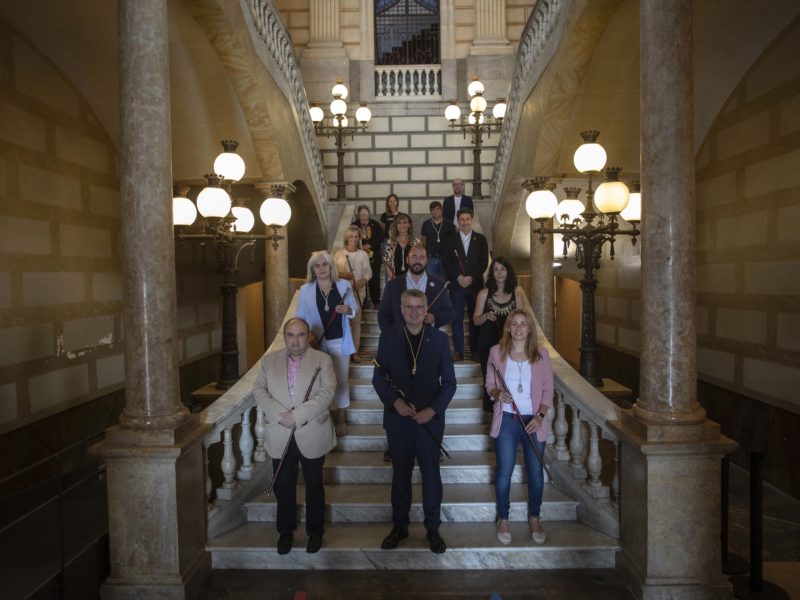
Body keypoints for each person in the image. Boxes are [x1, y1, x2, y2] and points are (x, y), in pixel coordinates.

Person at [372, 289, 456, 554]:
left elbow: (450, 384)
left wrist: (433, 410)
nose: (415, 312)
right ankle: (400, 526)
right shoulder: (388, 338)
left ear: (426, 309)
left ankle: (433, 528)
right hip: (399, 420)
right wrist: (395, 402)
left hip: (429, 422)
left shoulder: (440, 340)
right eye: (409, 307)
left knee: (431, 476)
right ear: (401, 308)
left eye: (419, 307)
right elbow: (378, 378)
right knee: (400, 476)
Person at [252, 317, 337, 555]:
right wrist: (281, 415)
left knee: (314, 486)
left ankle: (315, 533)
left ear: (308, 336)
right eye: (291, 335)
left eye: (301, 335)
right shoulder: (269, 362)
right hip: (280, 433)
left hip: (312, 432)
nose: (296, 340)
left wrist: (297, 416)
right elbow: (258, 390)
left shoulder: (323, 360)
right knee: (283, 486)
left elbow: (327, 392)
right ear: (284, 337)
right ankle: (286, 532)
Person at [484, 308, 553, 546]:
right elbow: (489, 384)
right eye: (514, 324)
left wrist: (540, 416)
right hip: (507, 421)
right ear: (508, 328)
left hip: (533, 421)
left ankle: (535, 517)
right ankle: (503, 518)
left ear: (529, 329)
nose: (519, 328)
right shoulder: (496, 352)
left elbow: (547, 391)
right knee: (504, 471)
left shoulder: (541, 354)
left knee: (535, 472)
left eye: (523, 324)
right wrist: (496, 393)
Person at [296, 251, 360, 437]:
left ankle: (341, 415)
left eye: (325, 264)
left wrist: (348, 309)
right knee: (319, 382)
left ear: (331, 267)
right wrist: (303, 335)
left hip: (339, 341)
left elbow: (354, 308)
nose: (322, 268)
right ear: (312, 270)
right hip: (316, 343)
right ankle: (323, 416)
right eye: (317, 265)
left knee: (340, 380)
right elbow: (299, 315)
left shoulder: (343, 285)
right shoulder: (306, 289)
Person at [473, 257, 526, 411]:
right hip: (487, 344)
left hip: (510, 344)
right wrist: (485, 317)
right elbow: (476, 320)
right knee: (490, 379)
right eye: (496, 269)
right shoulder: (484, 293)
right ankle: (491, 415)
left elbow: (523, 320)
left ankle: (509, 411)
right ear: (492, 273)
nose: (499, 273)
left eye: (503, 269)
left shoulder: (517, 294)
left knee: (509, 378)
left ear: (508, 272)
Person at [442, 207, 489, 361]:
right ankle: (459, 351)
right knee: (456, 317)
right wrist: (458, 277)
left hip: (475, 285)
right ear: (458, 221)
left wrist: (471, 277)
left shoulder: (481, 239)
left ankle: (475, 350)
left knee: (475, 317)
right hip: (457, 285)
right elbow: (446, 262)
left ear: (472, 220)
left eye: (467, 219)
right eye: (462, 219)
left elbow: (483, 262)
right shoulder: (450, 240)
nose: (465, 222)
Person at [378, 244, 453, 333]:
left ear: (426, 261)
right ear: (407, 260)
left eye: (422, 257)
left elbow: (448, 312)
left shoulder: (439, 286)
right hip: (400, 340)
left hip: (428, 341)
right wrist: (392, 337)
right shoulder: (392, 286)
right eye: (414, 257)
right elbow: (383, 315)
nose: (418, 261)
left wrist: (434, 317)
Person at [334, 225, 372, 363]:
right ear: (346, 238)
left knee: (356, 324)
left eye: (356, 237)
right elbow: (333, 273)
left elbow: (369, 272)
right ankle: (344, 352)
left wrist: (362, 281)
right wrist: (345, 275)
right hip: (341, 294)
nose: (354, 239)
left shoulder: (363, 254)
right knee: (344, 323)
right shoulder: (339, 254)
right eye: (351, 236)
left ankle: (354, 352)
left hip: (358, 292)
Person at [353, 204, 384, 308]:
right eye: (361, 212)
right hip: (359, 257)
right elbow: (349, 238)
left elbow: (380, 237)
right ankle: (362, 302)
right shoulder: (354, 225)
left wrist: (369, 245)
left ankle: (376, 302)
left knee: (374, 279)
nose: (363, 214)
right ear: (358, 214)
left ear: (369, 214)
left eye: (365, 212)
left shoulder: (375, 224)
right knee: (361, 279)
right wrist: (360, 246)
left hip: (374, 257)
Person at [420, 200, 456, 280]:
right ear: (430, 211)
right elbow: (423, 241)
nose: (435, 211)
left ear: (441, 210)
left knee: (444, 283)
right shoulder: (426, 224)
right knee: (431, 282)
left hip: (445, 259)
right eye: (433, 210)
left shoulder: (449, 224)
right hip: (430, 259)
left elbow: (454, 242)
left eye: (438, 209)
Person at [383, 213, 420, 281]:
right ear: (396, 225)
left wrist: (415, 276)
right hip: (395, 277)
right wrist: (392, 276)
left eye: (405, 222)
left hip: (413, 277)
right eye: (399, 223)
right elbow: (388, 261)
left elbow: (419, 261)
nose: (402, 225)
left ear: (409, 225)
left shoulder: (416, 241)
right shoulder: (390, 242)